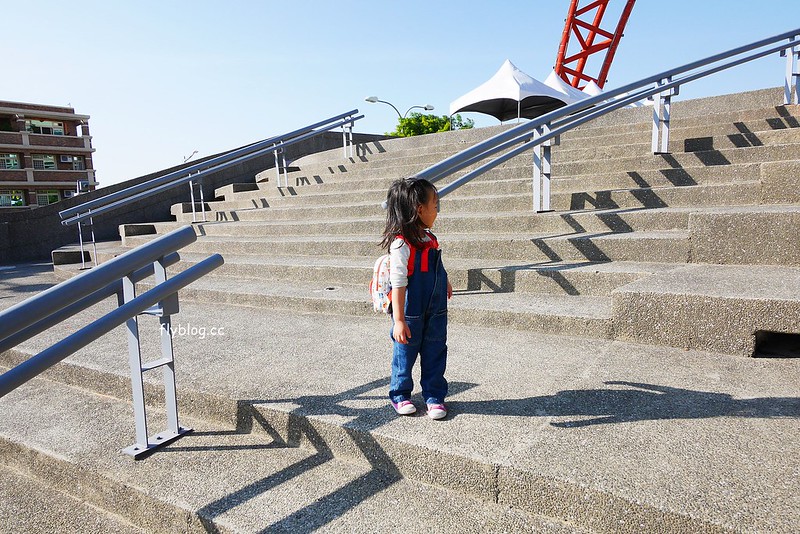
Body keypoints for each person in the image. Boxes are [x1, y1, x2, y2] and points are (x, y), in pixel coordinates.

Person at [381, 178, 452, 420]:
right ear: (419, 209)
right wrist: (399, 320)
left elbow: (437, 267)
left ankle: (434, 397)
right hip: (410, 311)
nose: (437, 210)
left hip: (436, 310)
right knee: (405, 355)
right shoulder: (402, 244)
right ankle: (400, 395)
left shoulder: (430, 239)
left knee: (435, 350)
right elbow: (399, 284)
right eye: (435, 205)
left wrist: (446, 282)